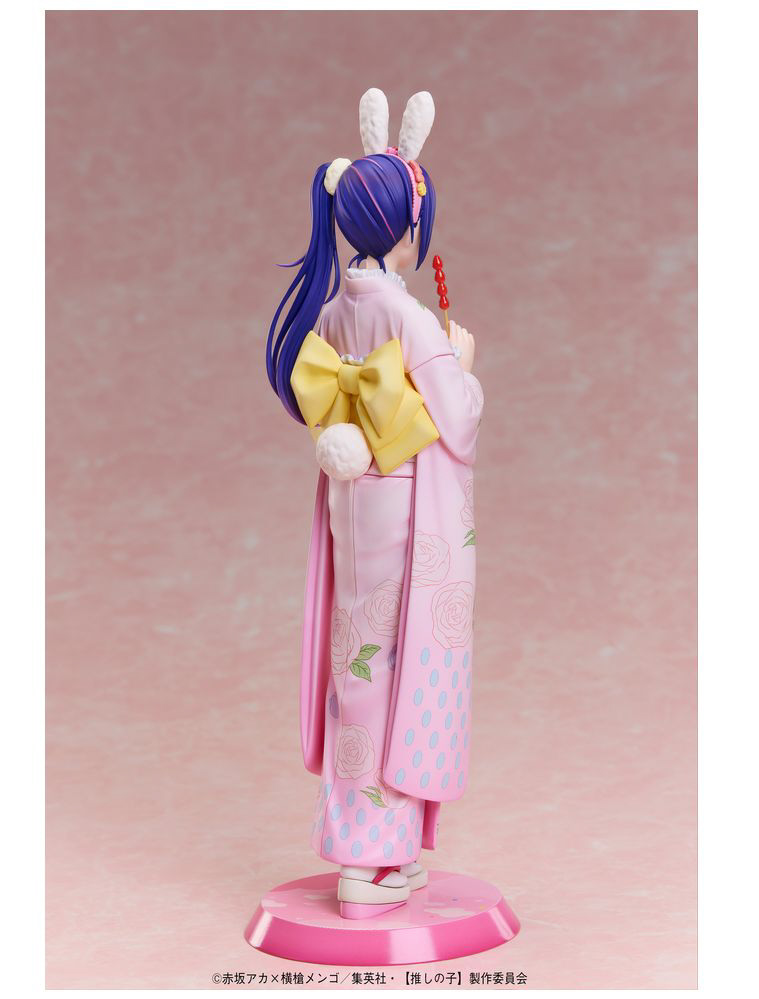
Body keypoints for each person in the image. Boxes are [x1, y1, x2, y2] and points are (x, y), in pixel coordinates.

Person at [266, 89, 483, 919]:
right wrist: (462, 363)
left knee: (357, 661)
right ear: (407, 226)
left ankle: (375, 853)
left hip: (352, 501)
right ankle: (371, 859)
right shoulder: (410, 317)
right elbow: (456, 422)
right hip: (404, 503)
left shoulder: (333, 308)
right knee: (396, 670)